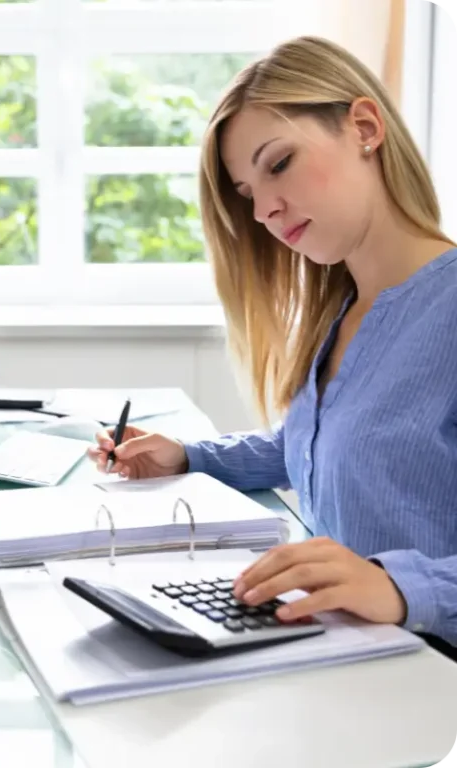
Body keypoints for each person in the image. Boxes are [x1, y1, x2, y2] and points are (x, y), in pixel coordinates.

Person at [87, 35, 457, 661]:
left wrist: (399, 586)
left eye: (278, 164)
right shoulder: (343, 310)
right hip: (343, 651)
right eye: (246, 193)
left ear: (364, 127)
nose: (264, 210)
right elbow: (323, 444)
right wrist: (189, 457)